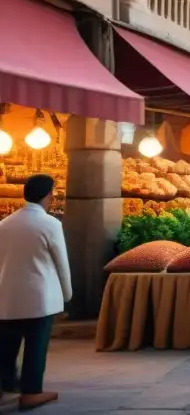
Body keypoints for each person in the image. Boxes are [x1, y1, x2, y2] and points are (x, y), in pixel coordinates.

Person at [0, 174, 71, 411]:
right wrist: (67, 294)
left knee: (7, 345)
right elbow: (61, 263)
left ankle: (5, 385)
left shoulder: (5, 224)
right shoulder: (50, 224)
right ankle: (31, 392)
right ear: (49, 194)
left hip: (7, 297)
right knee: (35, 346)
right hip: (39, 297)